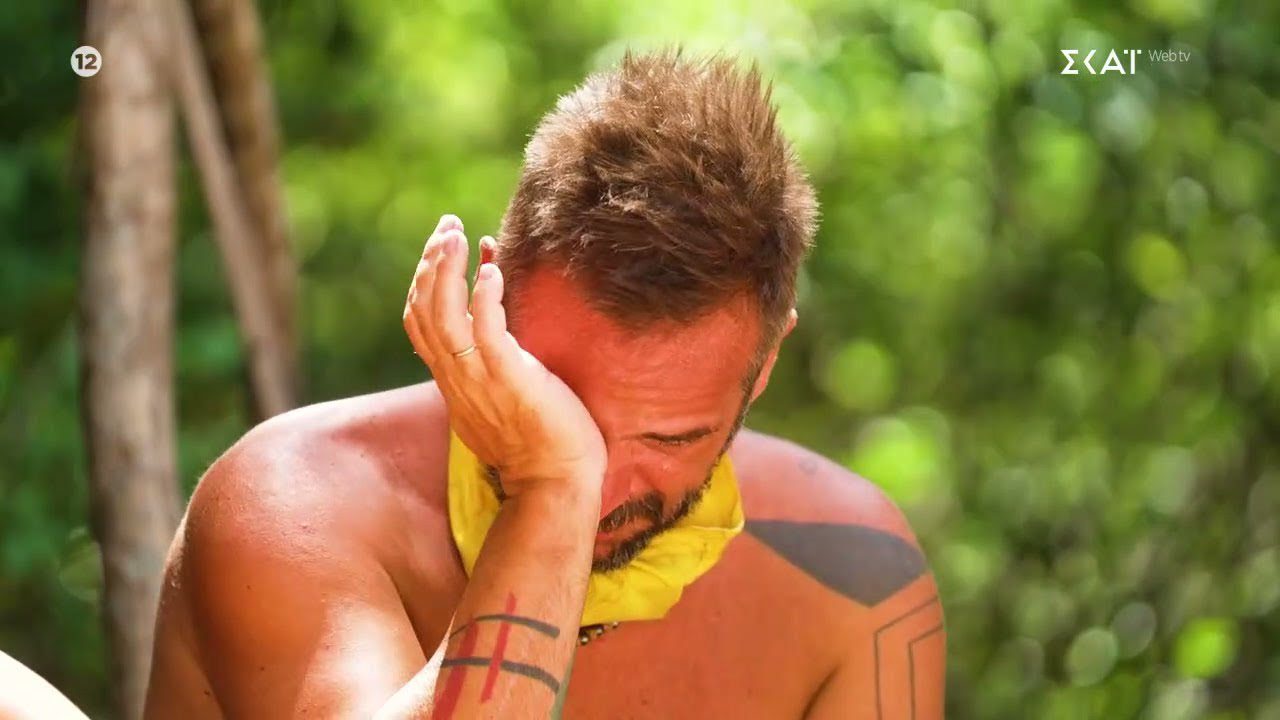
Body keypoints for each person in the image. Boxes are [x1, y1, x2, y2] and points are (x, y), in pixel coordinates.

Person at [144, 50, 945, 719]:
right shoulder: (292, 504)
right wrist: (550, 485)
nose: (603, 485)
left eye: (669, 438)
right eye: (557, 405)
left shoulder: (857, 582)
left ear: (762, 369)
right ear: (488, 305)